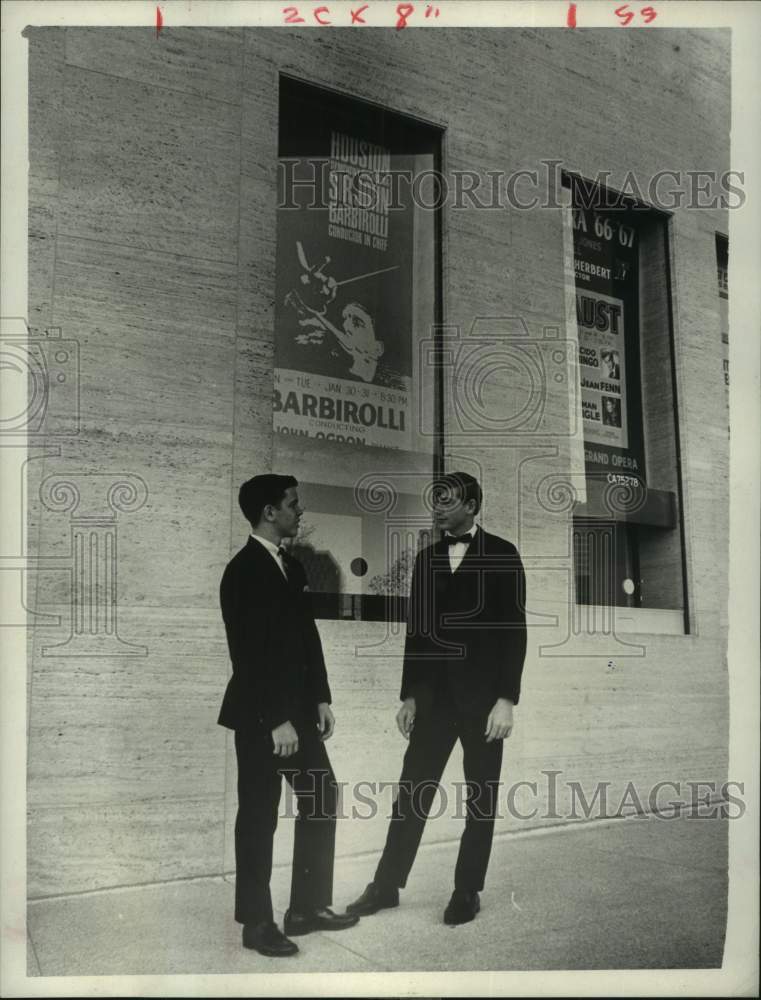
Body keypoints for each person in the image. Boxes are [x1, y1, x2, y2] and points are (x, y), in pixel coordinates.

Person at [346, 472, 527, 926]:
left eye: (447, 501)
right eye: (436, 501)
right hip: (434, 701)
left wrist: (507, 699)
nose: (438, 508)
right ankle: (386, 885)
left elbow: (514, 632)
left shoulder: (503, 555)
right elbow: (417, 634)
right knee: (411, 794)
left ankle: (467, 890)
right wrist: (409, 696)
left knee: (479, 797)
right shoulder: (426, 560)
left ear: (471, 505)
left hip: (484, 702)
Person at [218, 474, 359, 957]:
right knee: (259, 816)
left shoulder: (292, 568)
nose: (300, 513)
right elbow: (248, 654)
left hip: (298, 713)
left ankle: (306, 909)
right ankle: (256, 923)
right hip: (263, 717)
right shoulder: (242, 572)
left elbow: (307, 640)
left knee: (321, 795)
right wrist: (276, 718)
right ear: (269, 512)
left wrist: (320, 697)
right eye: (293, 505)